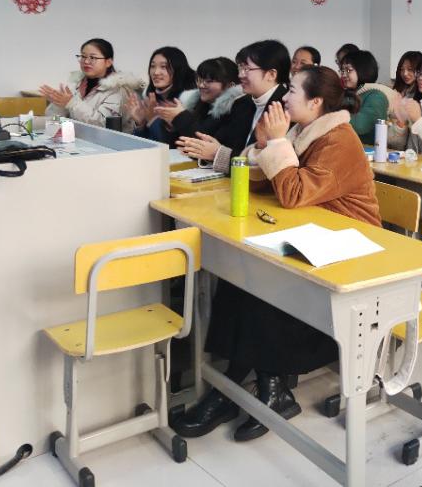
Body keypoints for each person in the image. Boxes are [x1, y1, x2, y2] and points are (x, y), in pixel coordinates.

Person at [174, 67, 379, 442]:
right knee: (241, 279)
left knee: (263, 289)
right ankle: (255, 388)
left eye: (293, 91)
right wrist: (263, 144)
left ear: (316, 102)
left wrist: (278, 142)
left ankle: (243, 390)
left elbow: (294, 194)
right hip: (313, 236)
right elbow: (265, 181)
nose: (284, 97)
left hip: (349, 248)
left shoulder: (339, 140)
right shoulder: (303, 132)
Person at [176, 40, 290, 173]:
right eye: (240, 68)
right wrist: (209, 150)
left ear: (271, 74)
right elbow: (226, 147)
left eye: (247, 69)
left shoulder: (286, 107)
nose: (240, 75)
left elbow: (265, 165)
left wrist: (218, 154)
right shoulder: (242, 103)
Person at [40, 38, 143, 127]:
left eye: (93, 57)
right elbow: (53, 119)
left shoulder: (118, 89)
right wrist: (59, 103)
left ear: (108, 62)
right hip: (77, 140)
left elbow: (104, 124)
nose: (86, 61)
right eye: (83, 56)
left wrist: (72, 104)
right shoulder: (75, 84)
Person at [125, 47, 197, 146]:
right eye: (153, 66)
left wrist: (152, 120)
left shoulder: (187, 102)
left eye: (163, 67)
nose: (156, 72)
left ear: (178, 69)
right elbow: (139, 145)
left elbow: (172, 146)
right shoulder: (151, 99)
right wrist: (141, 124)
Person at [161, 57, 243, 143]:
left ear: (230, 86)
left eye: (209, 81)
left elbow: (206, 142)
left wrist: (182, 117)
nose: (201, 85)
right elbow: (178, 143)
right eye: (199, 80)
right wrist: (172, 125)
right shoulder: (198, 105)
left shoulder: (237, 110)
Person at [341, 49, 394, 144]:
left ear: (363, 70)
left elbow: (361, 125)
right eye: (342, 70)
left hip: (368, 149)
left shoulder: (376, 95)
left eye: (348, 70)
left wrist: (332, 115)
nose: (343, 75)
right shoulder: (347, 94)